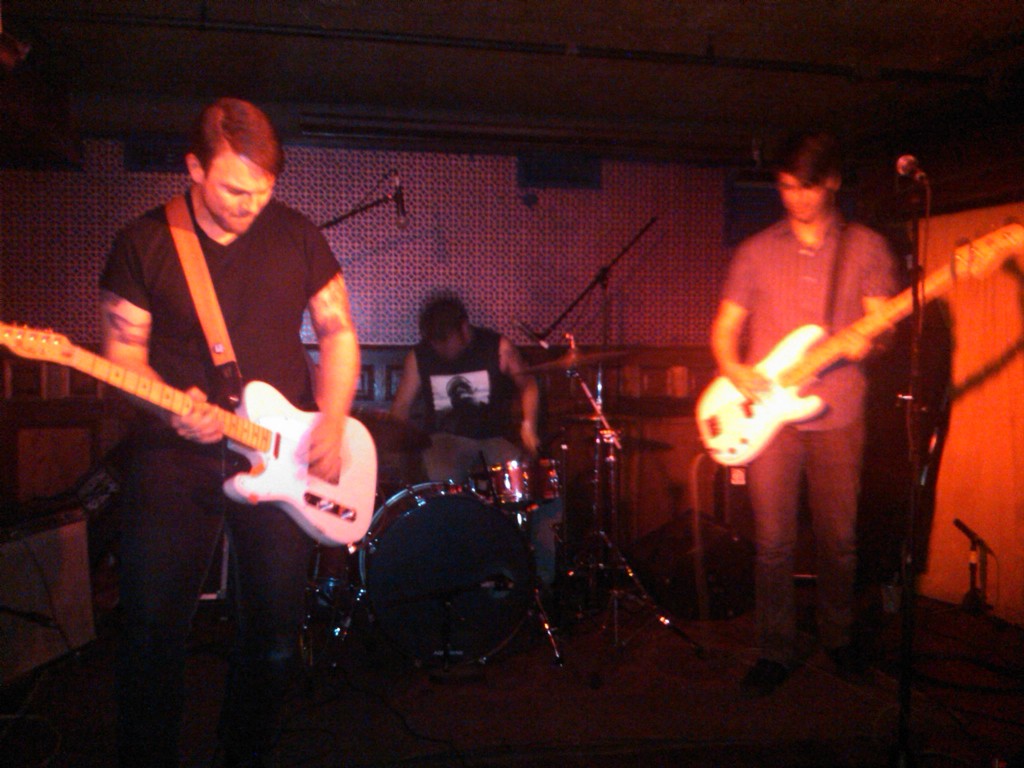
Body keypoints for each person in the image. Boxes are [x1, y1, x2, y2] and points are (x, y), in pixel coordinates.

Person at [99, 98, 360, 766]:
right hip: (174, 454)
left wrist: (333, 419)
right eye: (234, 190)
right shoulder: (144, 241)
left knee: (273, 633)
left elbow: (337, 332)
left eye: (263, 190)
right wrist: (169, 408)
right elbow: (121, 357)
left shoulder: (297, 235)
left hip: (282, 454)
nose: (251, 205)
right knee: (151, 632)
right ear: (193, 168)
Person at [709, 132, 897, 697]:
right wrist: (735, 369)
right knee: (773, 542)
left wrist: (872, 343)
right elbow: (725, 329)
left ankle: (838, 638)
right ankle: (774, 649)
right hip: (768, 418)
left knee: (839, 540)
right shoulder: (755, 251)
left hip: (839, 412)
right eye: (786, 187)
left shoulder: (867, 247)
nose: (795, 198)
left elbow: (883, 329)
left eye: (806, 187)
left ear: (832, 181)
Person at [389, 293, 540, 486]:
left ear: (464, 328)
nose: (441, 347)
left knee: (520, 478)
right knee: (442, 472)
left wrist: (529, 425)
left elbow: (528, 386)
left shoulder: (498, 348)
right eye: (436, 341)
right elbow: (401, 407)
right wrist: (393, 446)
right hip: (444, 440)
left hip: (493, 438)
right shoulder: (419, 356)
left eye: (446, 340)